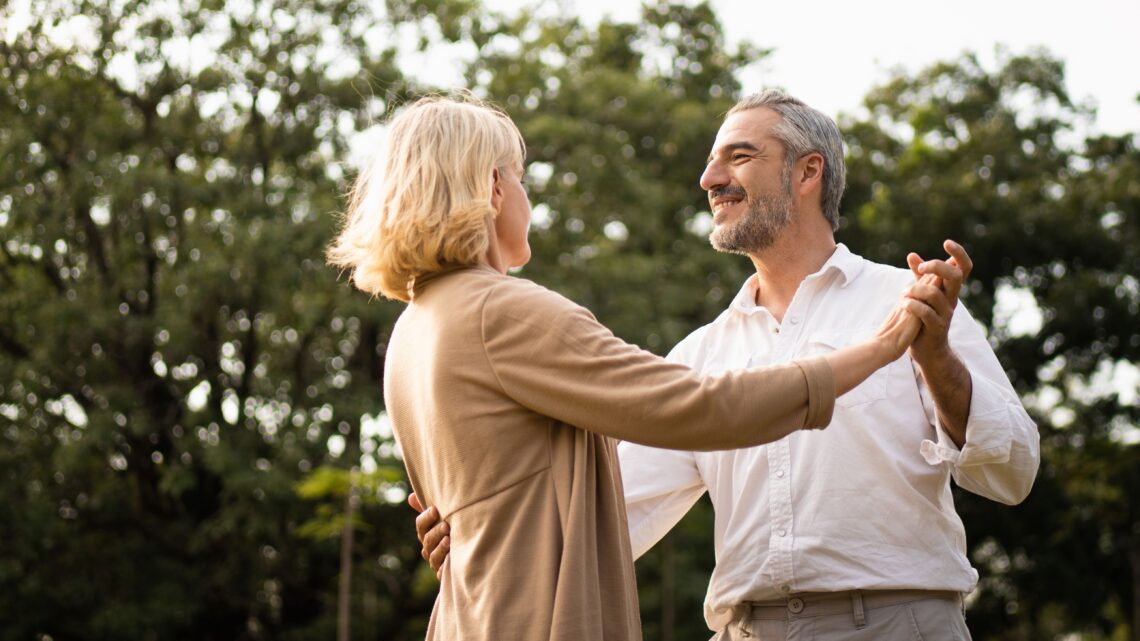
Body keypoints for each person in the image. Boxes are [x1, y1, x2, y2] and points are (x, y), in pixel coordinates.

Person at [412, 90, 1039, 640]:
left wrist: (935, 359)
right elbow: (607, 517)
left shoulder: (912, 306)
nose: (709, 178)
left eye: (737, 156)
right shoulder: (700, 356)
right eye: (713, 161)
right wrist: (480, 535)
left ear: (807, 172)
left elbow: (1012, 472)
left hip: (899, 628)